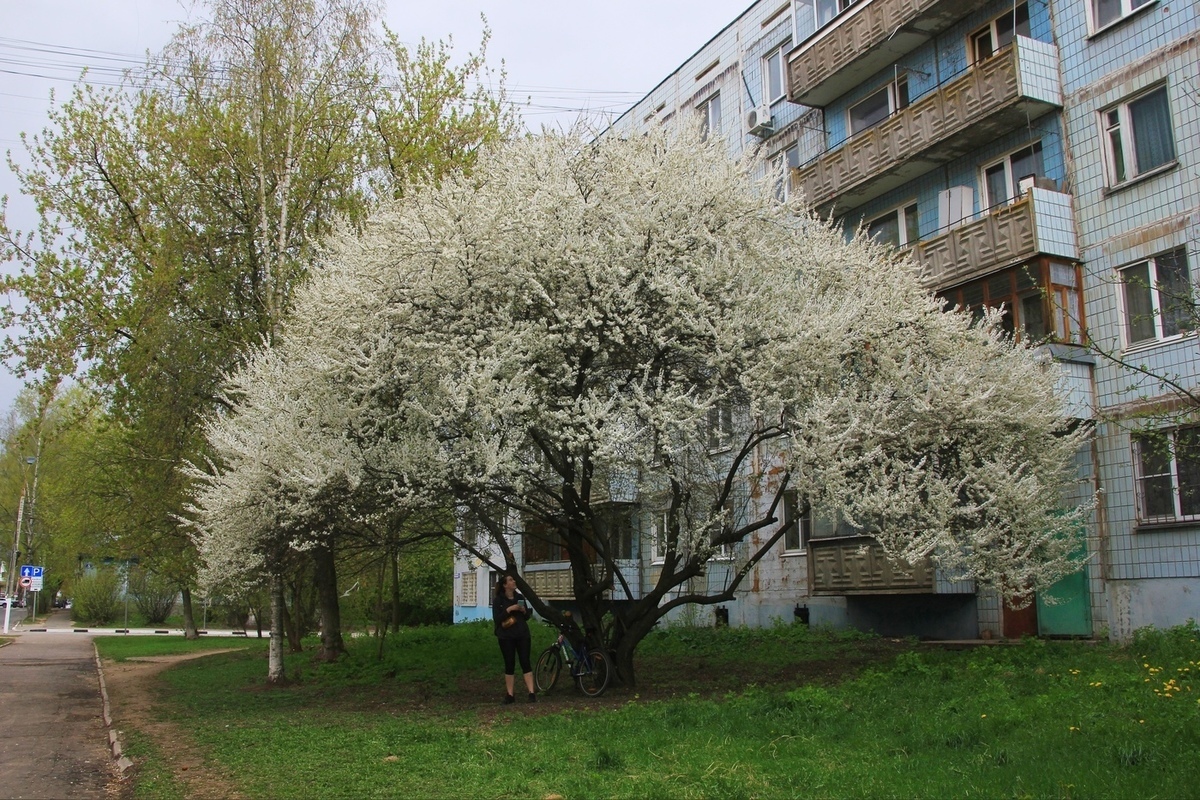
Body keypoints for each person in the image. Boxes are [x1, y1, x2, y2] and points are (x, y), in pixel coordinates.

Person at [492, 573, 536, 704]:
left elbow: (527, 616)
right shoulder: (498, 600)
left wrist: (523, 611)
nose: (513, 581)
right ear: (505, 585)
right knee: (509, 663)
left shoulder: (519, 597)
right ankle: (510, 694)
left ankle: (531, 692)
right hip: (506, 636)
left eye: (513, 580)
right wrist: (509, 609)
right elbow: (497, 619)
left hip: (522, 634)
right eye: (511, 580)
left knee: (525, 661)